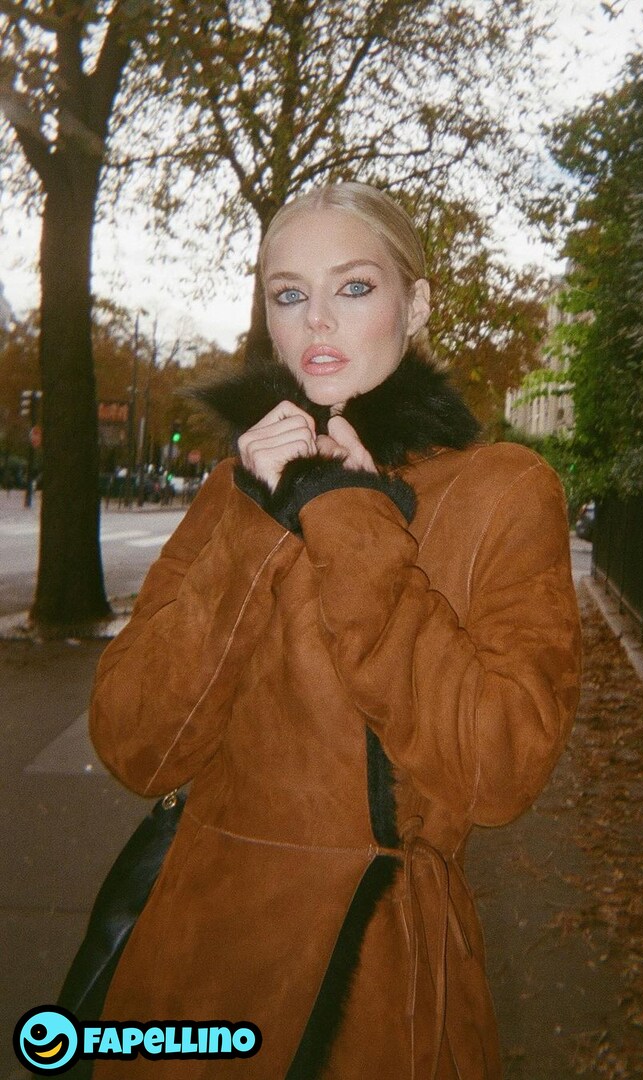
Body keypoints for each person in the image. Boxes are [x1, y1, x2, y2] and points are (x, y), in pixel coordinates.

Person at [89, 181, 582, 1078]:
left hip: (376, 985)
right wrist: (256, 520)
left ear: (415, 305)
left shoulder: (503, 490)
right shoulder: (233, 492)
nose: (317, 320)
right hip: (190, 965)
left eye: (354, 287)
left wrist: (350, 512)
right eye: (289, 294)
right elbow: (135, 747)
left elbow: (500, 769)